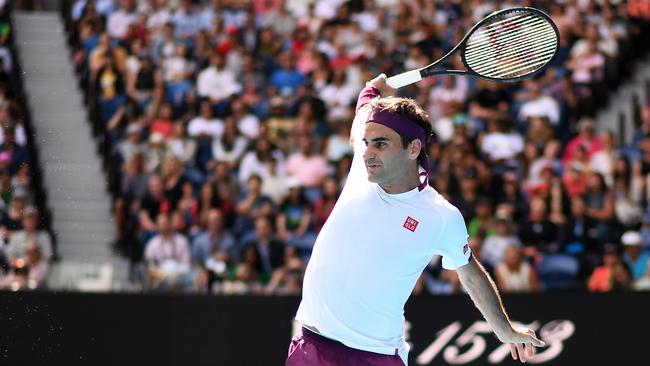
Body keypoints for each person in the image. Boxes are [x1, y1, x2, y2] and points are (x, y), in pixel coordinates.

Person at [288, 75, 544, 366]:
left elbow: (470, 274)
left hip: (375, 356)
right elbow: (364, 108)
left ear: (413, 149)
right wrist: (374, 89)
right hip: (311, 346)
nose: (368, 152)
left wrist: (505, 330)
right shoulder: (362, 168)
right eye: (367, 143)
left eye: (381, 144)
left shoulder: (440, 216)